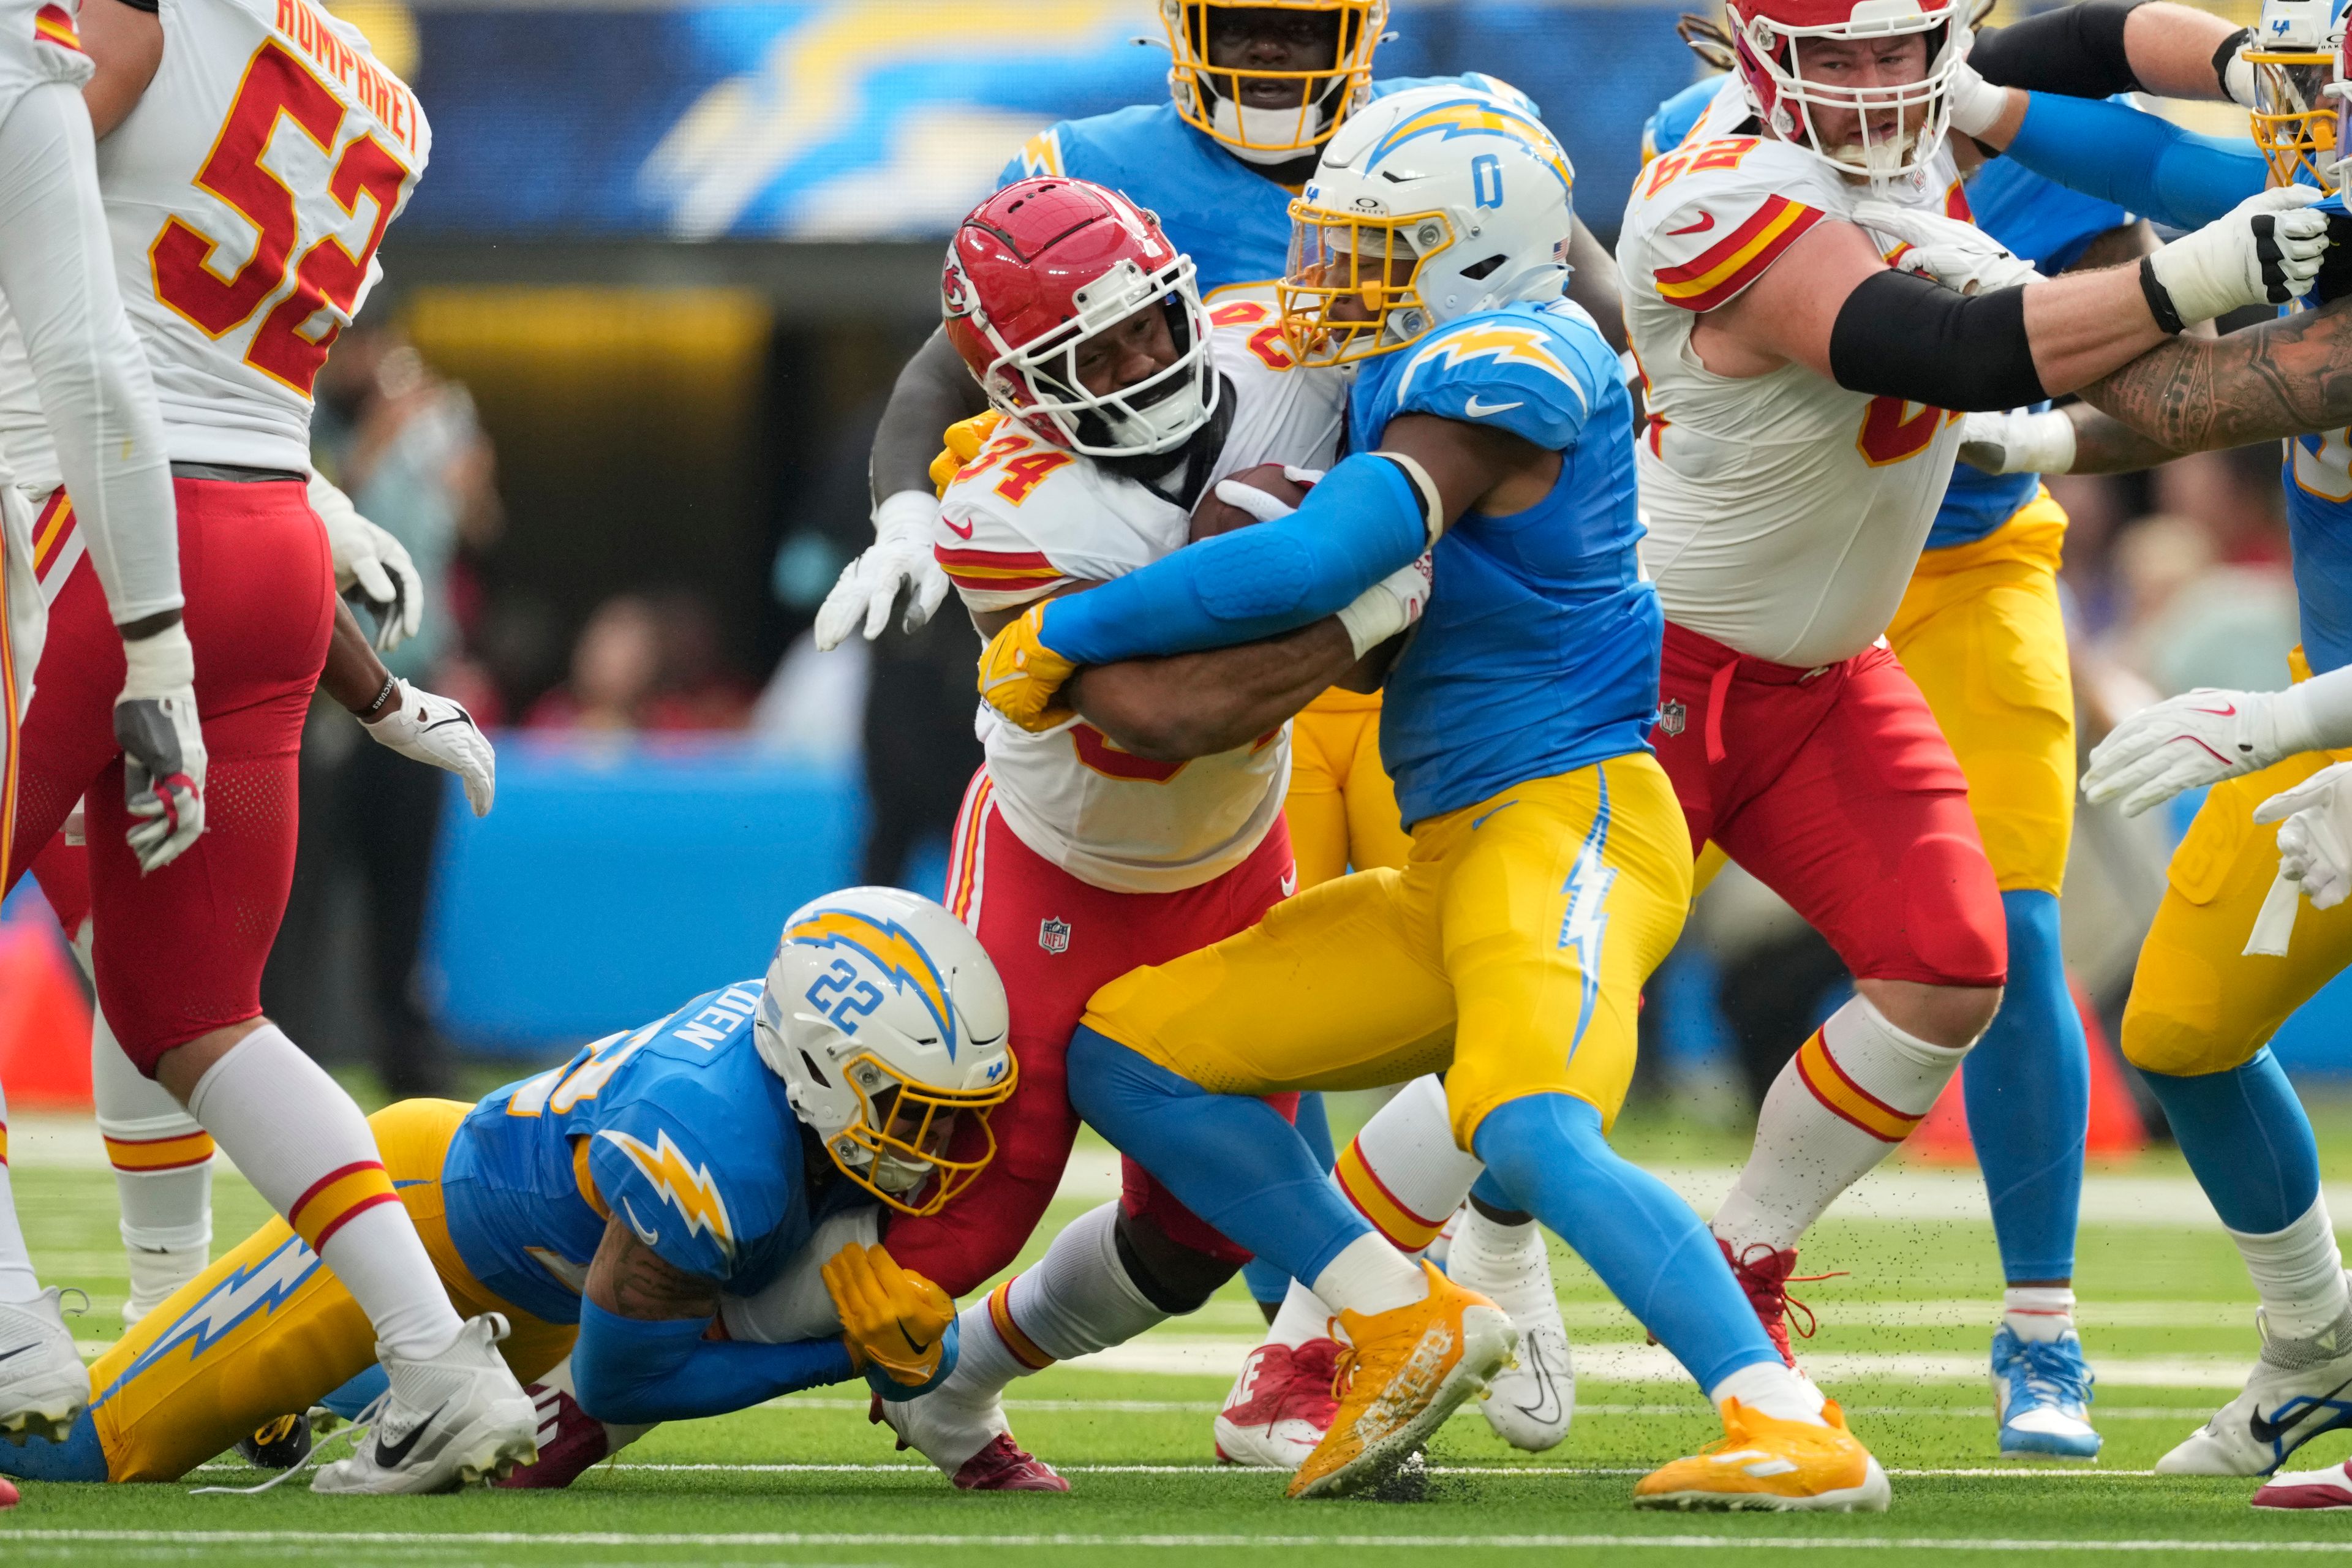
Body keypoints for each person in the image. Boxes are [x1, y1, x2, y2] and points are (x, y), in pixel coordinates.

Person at [976, 84, 1885, 1510]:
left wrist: (1065, 629)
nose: (1333, 276)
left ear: (1470, 248)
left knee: (1528, 1121)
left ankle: (1784, 1415)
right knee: (1128, 1051)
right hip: (1454, 855)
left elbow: (1321, 556)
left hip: (1571, 815)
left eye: (1373, 247)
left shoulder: (1511, 357)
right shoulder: (1423, 352)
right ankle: (1403, 1312)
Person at [820, 0, 1588, 1462]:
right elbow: (1160, 703)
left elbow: (1574, 308)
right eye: (1256, 29)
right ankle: (610, 1356)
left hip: (1353, 670)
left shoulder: (1365, 222)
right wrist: (910, 505)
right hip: (1175, 742)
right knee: (1005, 1181)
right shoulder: (1031, 453)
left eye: (1315, 35)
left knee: (1474, 999)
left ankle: (1450, 1279)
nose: (1288, 62)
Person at [1610, 0, 2318, 1423]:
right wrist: (2232, 133)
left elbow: (2162, 375)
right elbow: (1974, 324)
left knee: (2003, 938)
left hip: (1955, 569)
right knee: (1552, 968)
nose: (1872, 82)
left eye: (1899, 51)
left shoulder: (1986, 118)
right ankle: (1401, 1275)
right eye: (1833, 50)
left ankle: (2047, 1325)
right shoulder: (1722, 162)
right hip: (1716, 606)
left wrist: (2064, 413)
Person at [0, 0, 543, 1493]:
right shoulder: (381, 94)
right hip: (269, 548)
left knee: (182, 1000)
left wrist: (150, 632)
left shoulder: (102, 27)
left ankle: (18, 1353)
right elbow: (208, 348)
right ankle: (435, 1360)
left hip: (98, 540)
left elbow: (93, 339)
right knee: (197, 1011)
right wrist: (375, 688)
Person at [870, 175, 1448, 1493]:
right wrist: (1358, 608)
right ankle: (600, 1382)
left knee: (1190, 1235)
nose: (1143, 361)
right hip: (1057, 864)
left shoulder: (1282, 342)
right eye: (1097, 352)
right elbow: (1168, 712)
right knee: (962, 1218)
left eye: (1147, 323)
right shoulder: (1006, 510)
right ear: (1021, 388)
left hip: (1230, 859)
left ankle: (964, 1375)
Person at [1932, 0, 2352, 1493]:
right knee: (2180, 1028)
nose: (2312, 135)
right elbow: (2155, 171)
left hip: (2324, 717)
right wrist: (1966, 101)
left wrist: (2295, 728)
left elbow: (2258, 376)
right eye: (2311, 99)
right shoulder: (2328, 209)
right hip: (2331, 706)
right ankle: (2318, 1350)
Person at [0, 888, 1015, 1487]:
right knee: (90, 1451)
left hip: (542, 1282)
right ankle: (256, 1379)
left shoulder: (783, 1073)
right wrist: (844, 1354)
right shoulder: (715, 1151)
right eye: (910, 1108)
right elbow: (625, 1386)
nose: (943, 1144)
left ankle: (285, 1392)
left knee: (490, 1424)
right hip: (422, 1215)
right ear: (819, 1066)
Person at [0, 0, 201, 1444]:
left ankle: (97, 1327)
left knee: (151, 939)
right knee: (154, 938)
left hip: (73, 508)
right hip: (88, 506)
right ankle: (139, 1316)